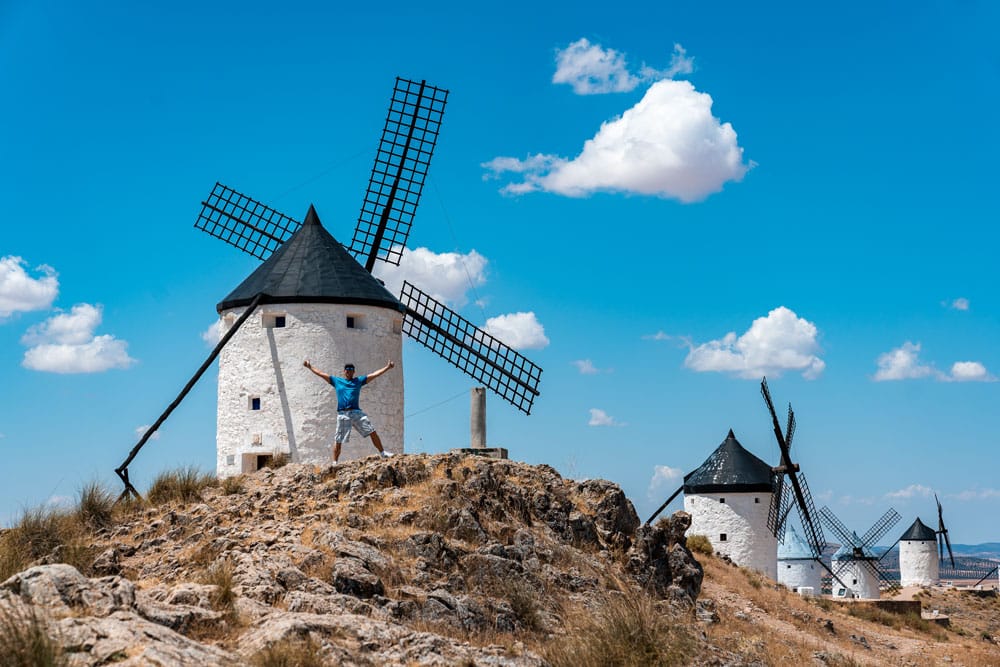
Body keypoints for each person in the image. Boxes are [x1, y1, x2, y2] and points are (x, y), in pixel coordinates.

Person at [303, 359, 395, 464]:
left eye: (351, 370)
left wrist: (387, 367)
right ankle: (334, 463)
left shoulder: (358, 381)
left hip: (356, 413)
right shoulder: (337, 381)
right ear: (344, 371)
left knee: (372, 431)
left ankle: (383, 453)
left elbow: (374, 375)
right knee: (338, 440)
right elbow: (321, 373)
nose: (349, 371)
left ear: (354, 372)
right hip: (343, 414)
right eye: (347, 370)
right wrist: (310, 366)